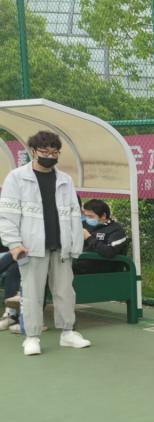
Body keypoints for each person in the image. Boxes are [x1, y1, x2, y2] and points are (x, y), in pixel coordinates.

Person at [0, 131, 90, 355]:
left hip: (62, 247)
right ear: (33, 151)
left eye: (54, 152)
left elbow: (74, 214)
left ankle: (68, 333)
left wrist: (75, 245)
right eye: (45, 151)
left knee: (65, 292)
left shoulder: (65, 180)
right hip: (31, 248)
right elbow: (7, 216)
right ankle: (31, 337)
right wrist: (14, 244)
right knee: (31, 294)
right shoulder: (16, 178)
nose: (50, 156)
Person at [73, 199, 129, 274]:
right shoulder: (84, 225)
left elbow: (109, 252)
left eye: (90, 216)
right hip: (78, 267)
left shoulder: (116, 230)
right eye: (86, 216)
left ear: (103, 216)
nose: (87, 219)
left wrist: (89, 238)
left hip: (102, 274)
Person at [0, 239, 21, 330]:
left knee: (13, 268)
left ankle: (11, 314)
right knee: (13, 267)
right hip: (14, 251)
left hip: (35, 254)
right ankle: (11, 314)